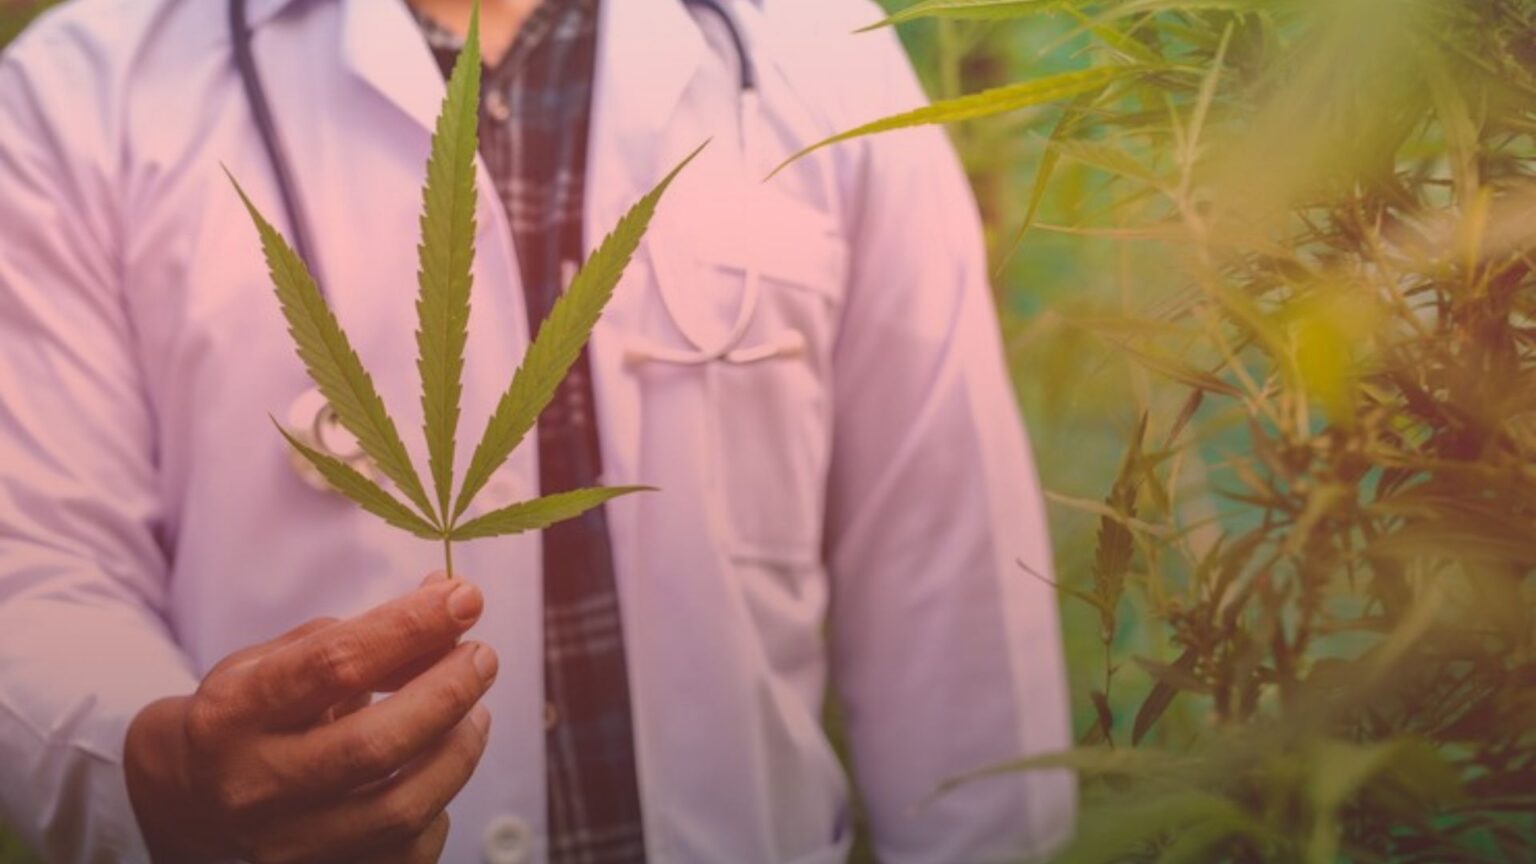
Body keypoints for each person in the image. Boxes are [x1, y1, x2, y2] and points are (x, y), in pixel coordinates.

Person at [0, 0, 1075, 861]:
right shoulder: (78, 89)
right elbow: (33, 563)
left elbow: (952, 575)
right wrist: (151, 771)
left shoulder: (825, 58)